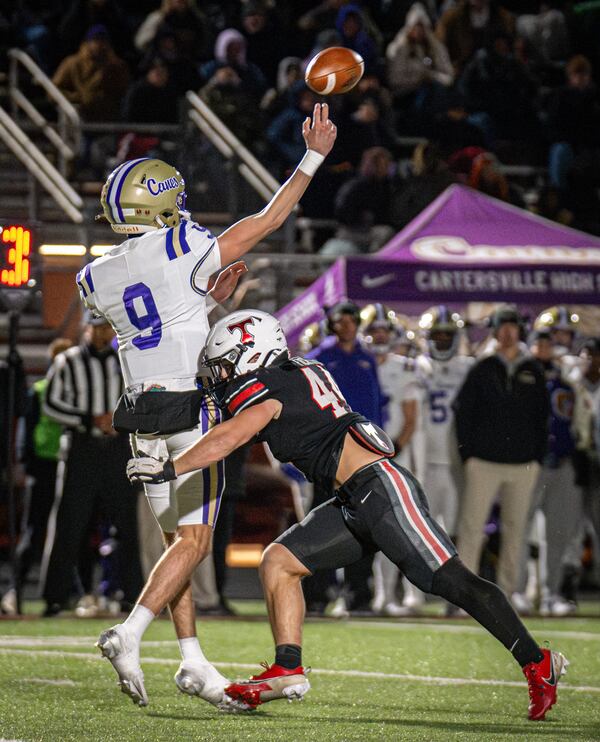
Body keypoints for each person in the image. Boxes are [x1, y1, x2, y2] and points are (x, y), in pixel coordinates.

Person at [127, 309, 568, 721]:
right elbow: (225, 414)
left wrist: (168, 466)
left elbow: (229, 435)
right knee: (280, 562)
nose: (222, 376)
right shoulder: (294, 372)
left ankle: (538, 661)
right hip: (352, 500)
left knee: (449, 581)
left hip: (381, 488)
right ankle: (287, 667)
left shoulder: (270, 386)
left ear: (253, 353)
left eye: (226, 365)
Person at [83, 103, 337, 708]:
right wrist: (315, 154)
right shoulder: (184, 244)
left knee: (179, 543)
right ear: (163, 204)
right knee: (194, 544)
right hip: (191, 408)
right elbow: (271, 217)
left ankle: (193, 658)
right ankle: (129, 633)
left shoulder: (95, 274)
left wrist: (206, 303)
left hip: (140, 413)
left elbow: (158, 318)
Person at [41, 314, 143, 617]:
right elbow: (50, 402)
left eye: (107, 327)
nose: (103, 333)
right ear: (86, 328)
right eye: (97, 327)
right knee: (69, 523)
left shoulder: (124, 361)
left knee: (127, 525)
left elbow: (137, 399)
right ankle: (56, 596)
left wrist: (118, 421)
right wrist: (89, 419)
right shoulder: (68, 361)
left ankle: (132, 595)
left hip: (117, 449)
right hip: (82, 448)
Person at [453, 306, 550, 600]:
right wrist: (468, 455)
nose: (508, 332)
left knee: (516, 531)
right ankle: (465, 596)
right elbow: (463, 413)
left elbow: (542, 418)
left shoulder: (533, 368)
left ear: (520, 331)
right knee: (471, 529)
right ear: (495, 331)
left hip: (522, 465)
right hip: (484, 462)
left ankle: (508, 593)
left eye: (512, 326)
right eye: (502, 327)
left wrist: (536, 457)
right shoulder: (482, 368)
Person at [0, 338, 72, 616]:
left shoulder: (77, 391)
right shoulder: (41, 390)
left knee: (67, 530)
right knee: (34, 529)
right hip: (43, 464)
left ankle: (68, 593)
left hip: (70, 462)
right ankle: (14, 589)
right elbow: (26, 430)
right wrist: (23, 463)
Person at [361, 304, 423, 616]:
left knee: (401, 527)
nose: (379, 335)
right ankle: (377, 596)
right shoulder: (358, 363)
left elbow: (411, 419)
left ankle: (401, 594)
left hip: (395, 454)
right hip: (364, 456)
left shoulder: (405, 367)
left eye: (383, 330)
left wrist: (393, 447)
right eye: (374, 330)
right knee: (371, 529)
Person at [52, 25, 130, 122]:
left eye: (103, 40)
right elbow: (54, 90)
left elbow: (123, 90)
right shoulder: (73, 63)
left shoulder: (116, 65)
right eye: (96, 40)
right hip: (80, 115)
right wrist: (78, 98)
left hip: (107, 117)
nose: (100, 44)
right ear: (87, 42)